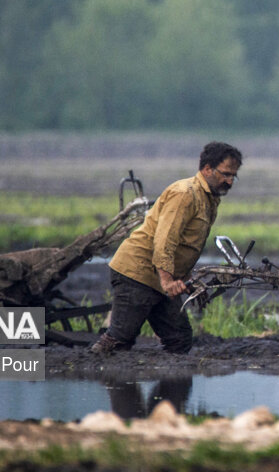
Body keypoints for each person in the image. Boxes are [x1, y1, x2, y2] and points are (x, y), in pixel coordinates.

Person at [90, 141, 242, 354]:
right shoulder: (185, 194)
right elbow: (165, 240)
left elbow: (185, 246)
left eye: (233, 176)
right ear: (207, 169)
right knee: (119, 339)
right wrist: (167, 280)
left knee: (179, 339)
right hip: (138, 273)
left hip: (160, 279)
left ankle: (168, 384)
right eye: (226, 174)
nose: (230, 181)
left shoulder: (209, 199)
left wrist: (186, 280)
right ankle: (88, 369)